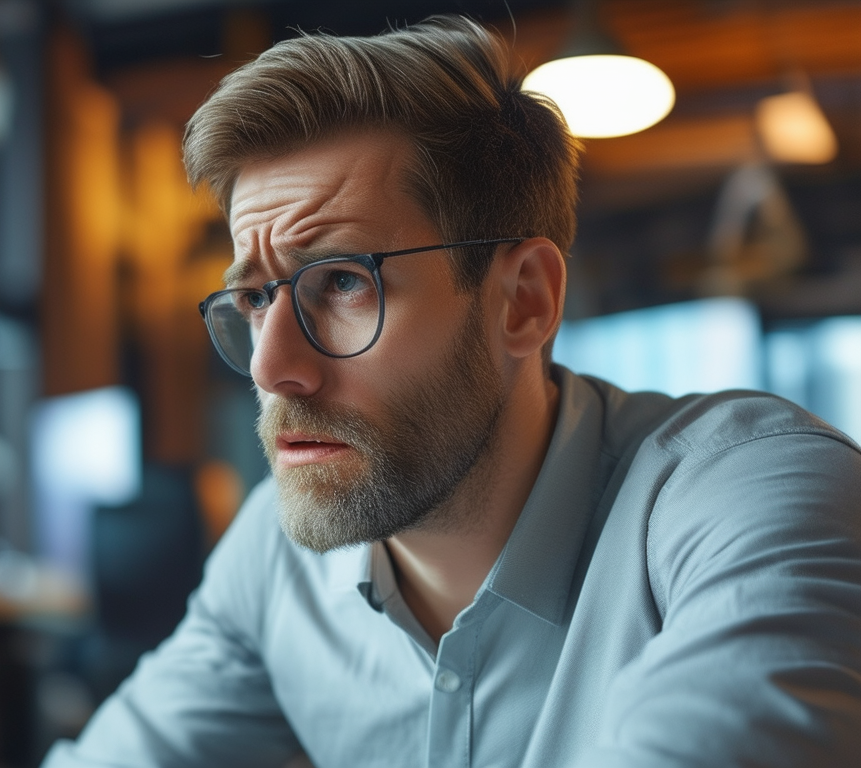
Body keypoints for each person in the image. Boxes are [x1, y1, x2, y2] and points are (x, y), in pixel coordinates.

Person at [43, 15, 861, 768]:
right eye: (256, 297)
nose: (269, 366)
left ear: (524, 300)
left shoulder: (758, 492)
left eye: (341, 282)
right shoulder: (278, 558)